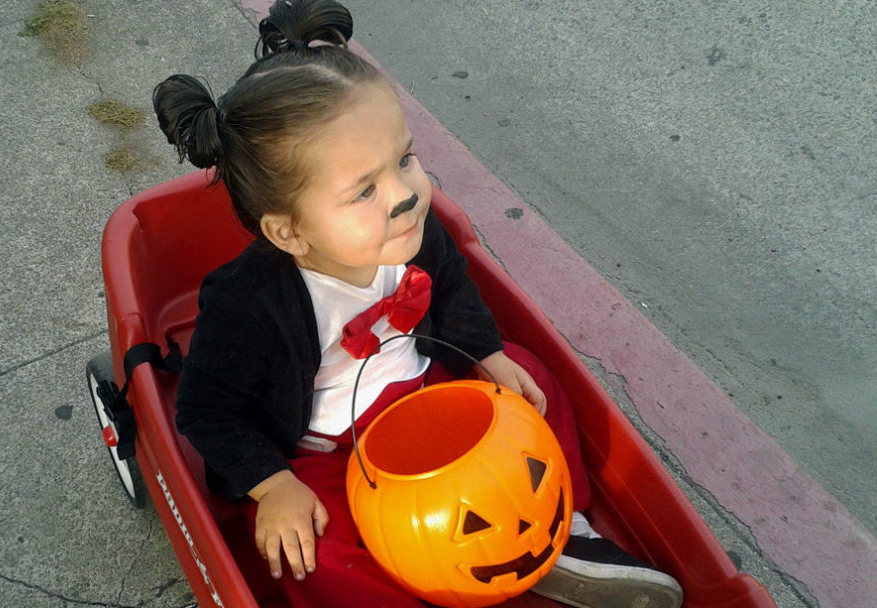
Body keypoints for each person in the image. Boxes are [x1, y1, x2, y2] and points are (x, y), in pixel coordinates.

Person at [154, 1, 683, 607]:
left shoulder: (412, 232)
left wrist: (485, 352)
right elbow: (206, 411)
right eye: (364, 190)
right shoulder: (246, 304)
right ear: (290, 233)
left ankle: (564, 534)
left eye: (404, 159)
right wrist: (272, 484)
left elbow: (454, 290)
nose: (405, 195)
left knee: (531, 378)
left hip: (428, 391)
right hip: (330, 448)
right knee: (307, 545)